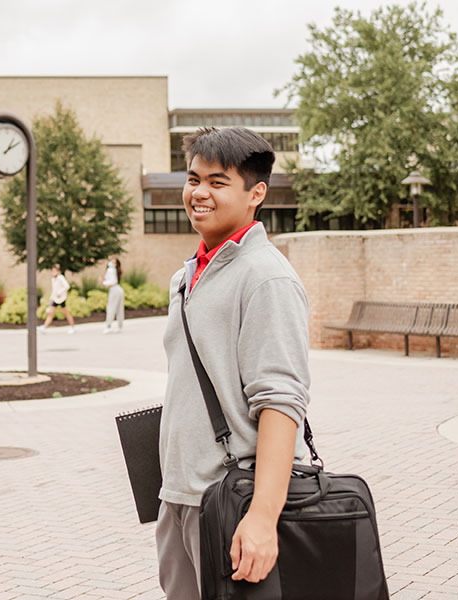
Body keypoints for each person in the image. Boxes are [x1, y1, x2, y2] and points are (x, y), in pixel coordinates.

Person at [156, 127, 311, 599]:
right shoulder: (187, 276)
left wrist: (263, 516)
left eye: (218, 182)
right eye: (193, 179)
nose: (199, 193)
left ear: (255, 193)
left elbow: (281, 402)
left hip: (233, 501)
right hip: (179, 498)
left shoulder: (266, 278)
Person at [37, 264, 75, 334]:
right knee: (51, 313)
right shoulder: (53, 279)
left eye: (55, 271)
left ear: (58, 272)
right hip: (55, 299)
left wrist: (60, 292)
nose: (53, 272)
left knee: (66, 313)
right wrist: (51, 298)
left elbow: (67, 286)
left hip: (61, 299)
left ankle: (72, 327)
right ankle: (44, 327)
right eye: (53, 271)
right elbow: (54, 290)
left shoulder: (61, 277)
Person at [102, 257, 125, 334]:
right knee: (119, 309)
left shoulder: (110, 270)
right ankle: (119, 326)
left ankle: (108, 326)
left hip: (114, 289)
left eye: (114, 262)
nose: (112, 263)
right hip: (119, 289)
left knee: (111, 308)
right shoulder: (115, 270)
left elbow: (112, 281)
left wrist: (103, 282)